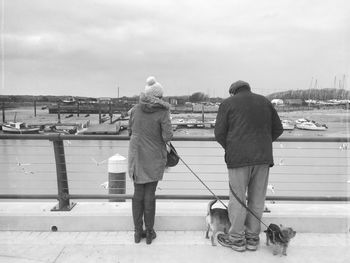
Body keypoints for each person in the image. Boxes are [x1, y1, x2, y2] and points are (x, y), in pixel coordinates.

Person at [214, 80, 283, 252]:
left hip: (238, 159)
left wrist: (231, 147)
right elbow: (278, 129)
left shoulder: (227, 103)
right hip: (263, 158)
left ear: (233, 92)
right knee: (257, 199)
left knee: (237, 199)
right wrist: (263, 143)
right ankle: (253, 239)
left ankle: (237, 239)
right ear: (248, 89)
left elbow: (219, 133)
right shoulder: (265, 101)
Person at [128, 76, 173, 244]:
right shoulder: (163, 112)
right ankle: (149, 232)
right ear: (159, 97)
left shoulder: (134, 110)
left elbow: (130, 132)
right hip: (154, 157)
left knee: (137, 194)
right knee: (150, 195)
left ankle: (137, 233)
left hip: (136, 157)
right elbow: (167, 136)